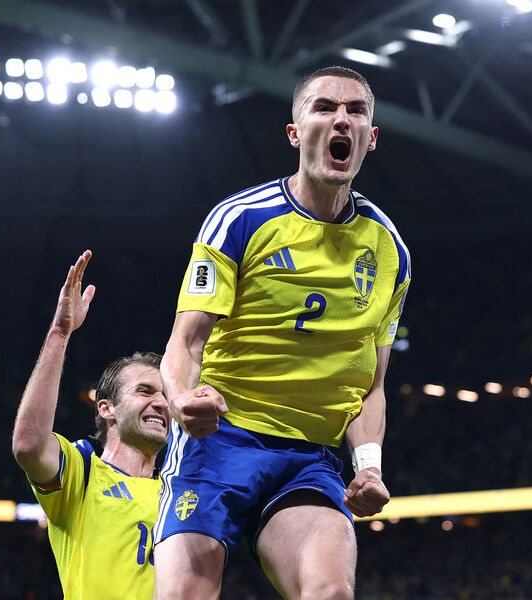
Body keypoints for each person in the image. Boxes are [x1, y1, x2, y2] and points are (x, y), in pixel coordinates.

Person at [153, 65, 411, 600]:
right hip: (219, 441)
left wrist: (368, 468)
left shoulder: (391, 251)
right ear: (295, 133)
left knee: (330, 592)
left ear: (371, 138)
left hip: (310, 459)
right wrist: (180, 399)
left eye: (356, 111)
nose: (342, 119)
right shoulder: (239, 219)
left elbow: (372, 384)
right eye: (324, 107)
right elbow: (186, 341)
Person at [12, 250, 170, 600]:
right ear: (106, 408)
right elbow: (29, 445)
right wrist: (59, 333)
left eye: (165, 395)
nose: (161, 403)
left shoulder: (180, 491)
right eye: (145, 391)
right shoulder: (82, 472)